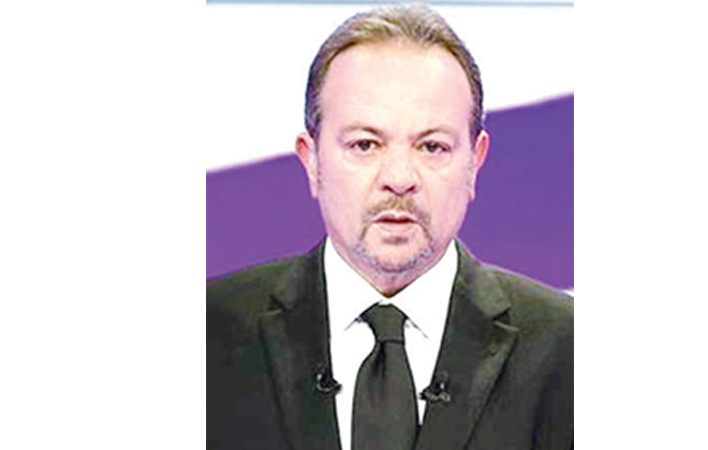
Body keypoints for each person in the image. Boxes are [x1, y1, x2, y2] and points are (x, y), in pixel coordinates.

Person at [207, 4, 572, 450]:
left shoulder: (569, 348)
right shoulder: (208, 334)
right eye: (365, 144)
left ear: (474, 163)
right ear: (312, 161)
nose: (399, 178)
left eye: (432, 146)